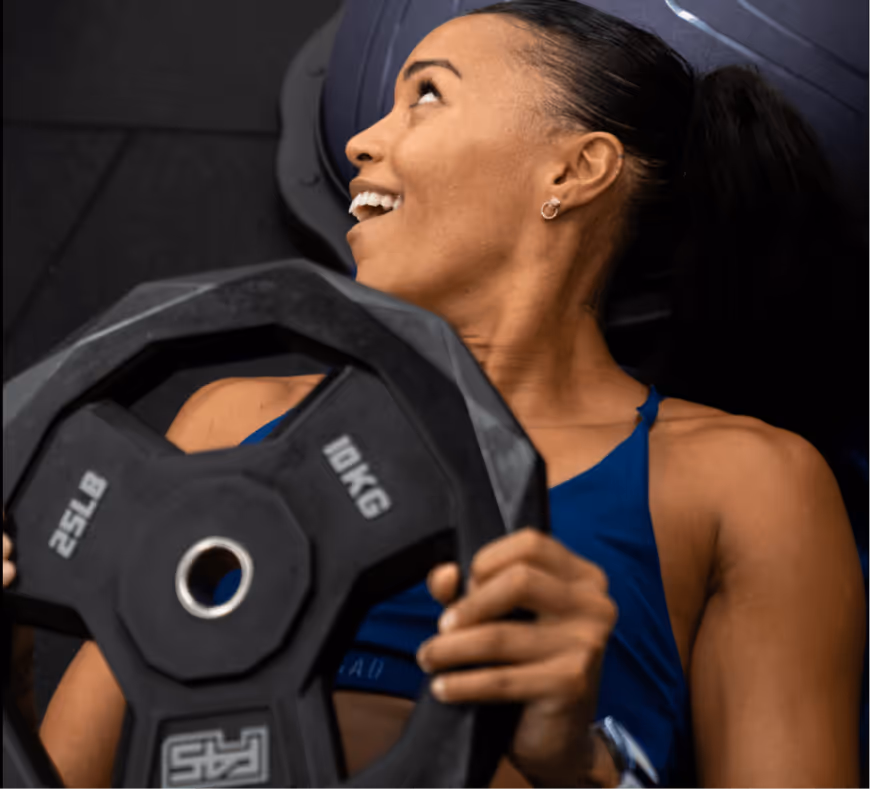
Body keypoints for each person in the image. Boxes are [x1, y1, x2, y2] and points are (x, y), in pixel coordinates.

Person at [3, 1, 866, 787]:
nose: (360, 143)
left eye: (424, 96)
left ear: (575, 167)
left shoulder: (746, 482)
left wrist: (579, 763)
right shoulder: (233, 422)